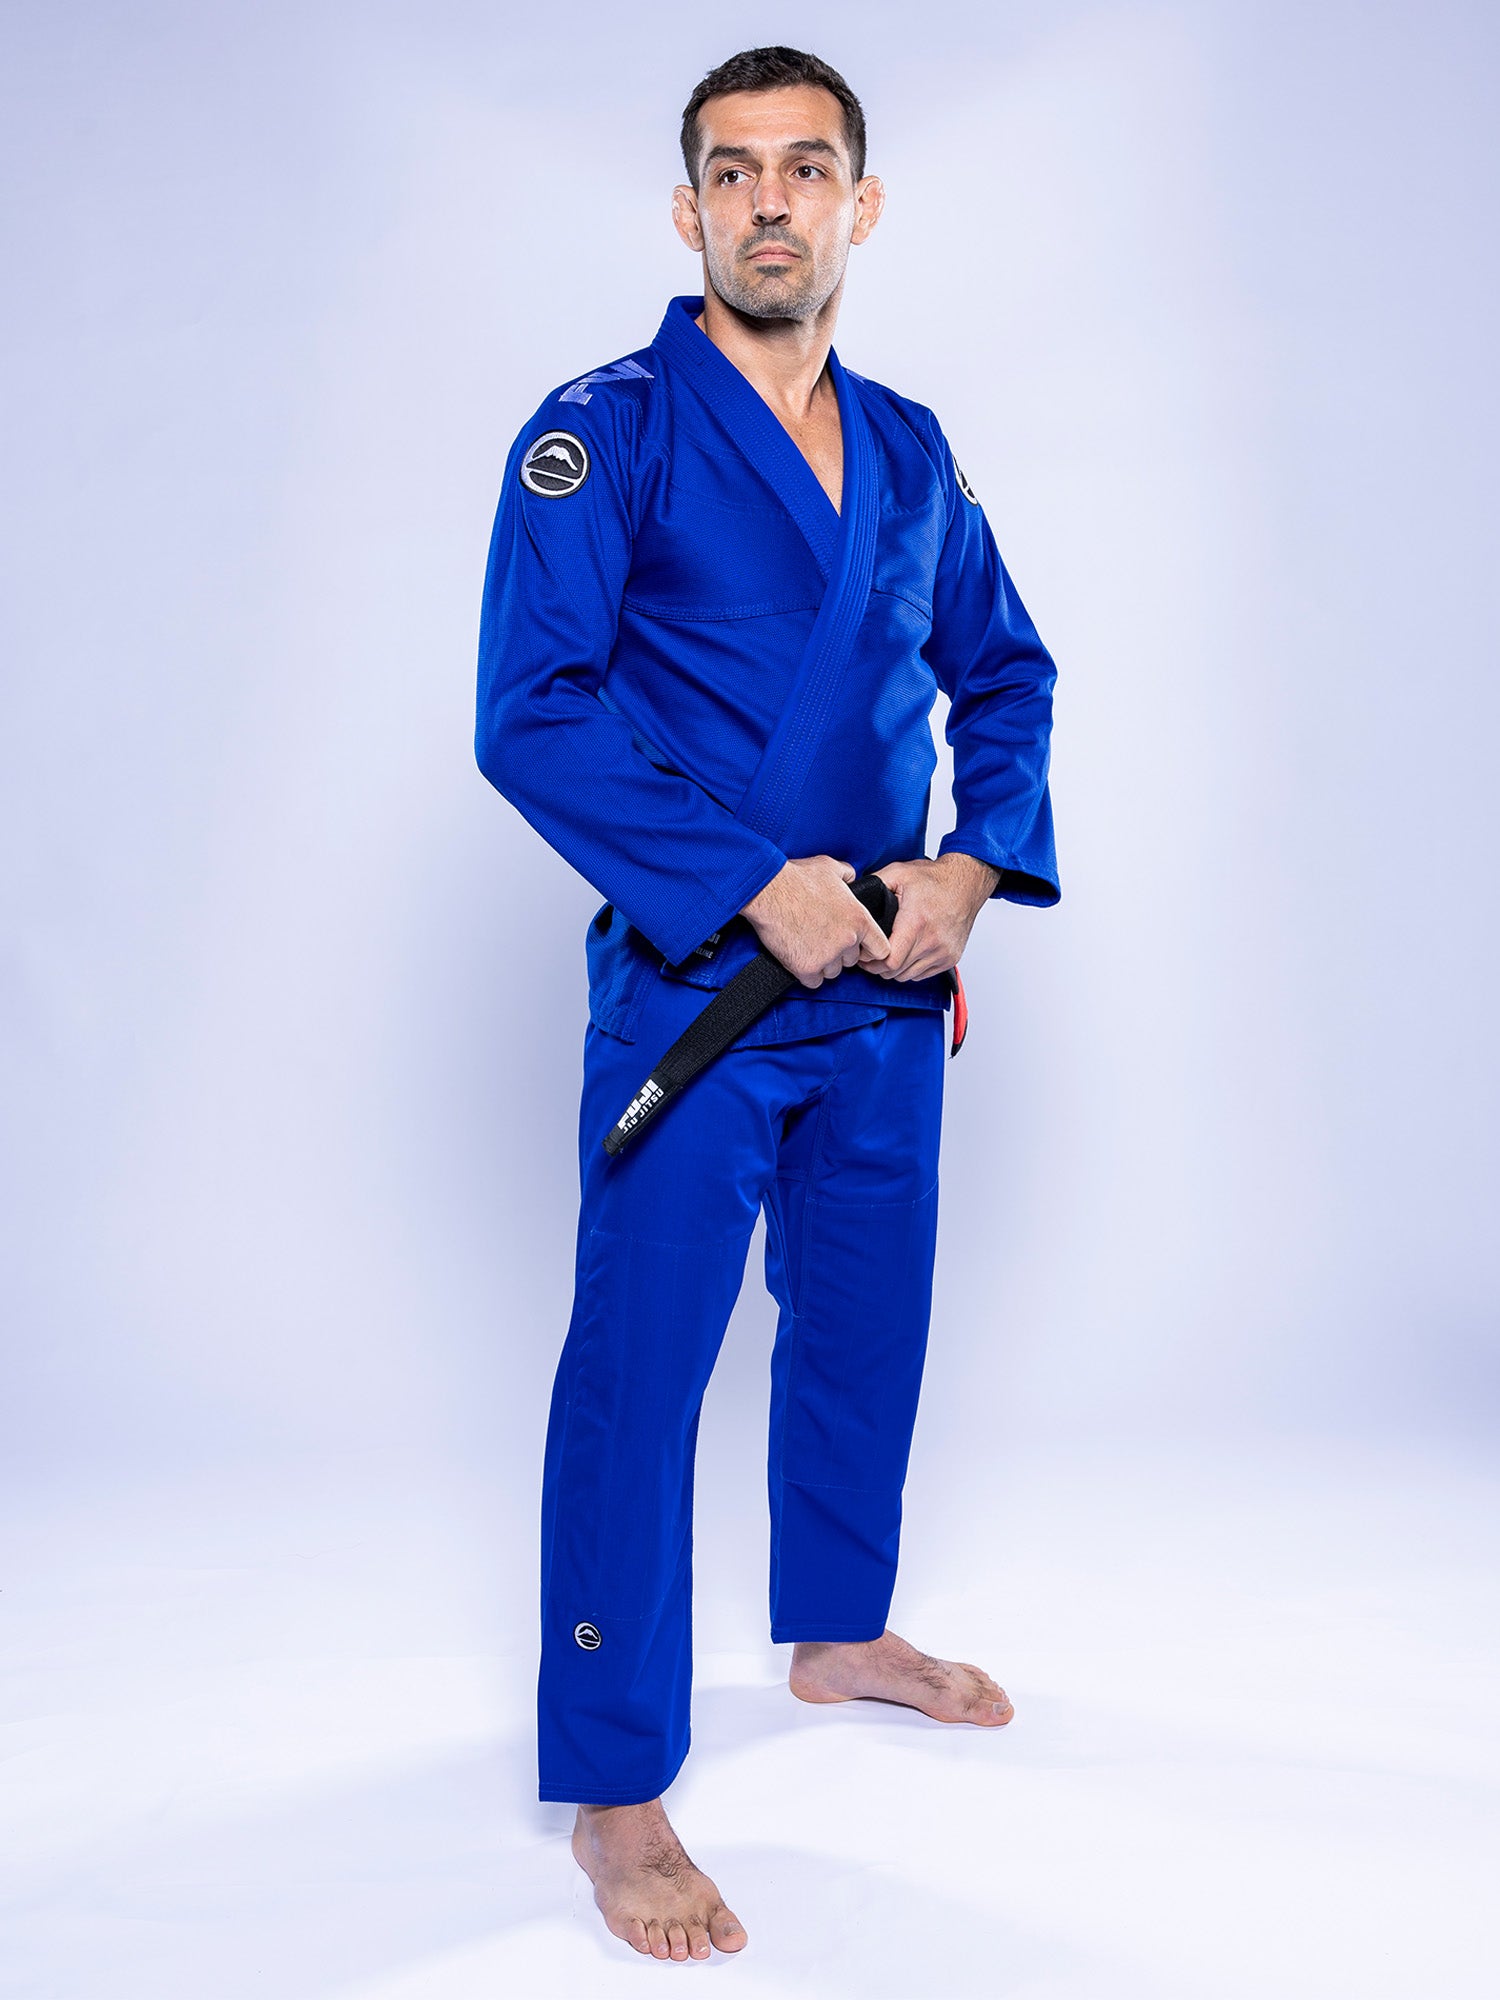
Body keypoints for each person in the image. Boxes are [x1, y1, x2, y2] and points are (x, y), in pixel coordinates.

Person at [475, 45, 1059, 1964]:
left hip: (886, 985)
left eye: (807, 168)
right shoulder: (605, 431)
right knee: (639, 1376)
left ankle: (836, 1630)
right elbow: (530, 711)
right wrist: (747, 880)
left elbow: (1007, 671)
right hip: (700, 996)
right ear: (690, 212)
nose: (771, 201)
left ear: (859, 207)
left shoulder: (910, 447)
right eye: (734, 172)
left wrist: (971, 870)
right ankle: (615, 1785)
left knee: (867, 1322)